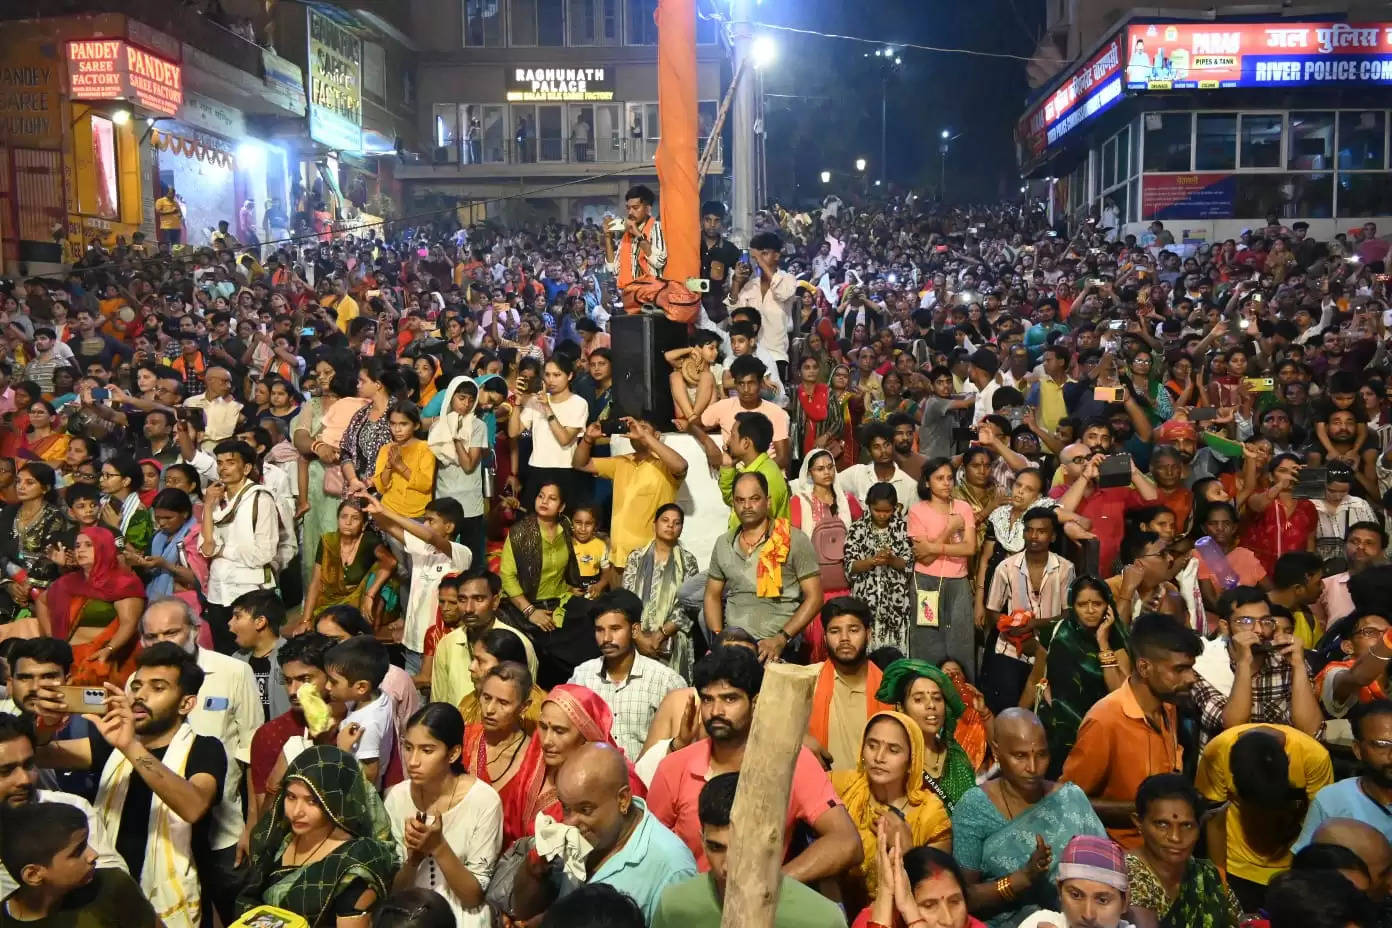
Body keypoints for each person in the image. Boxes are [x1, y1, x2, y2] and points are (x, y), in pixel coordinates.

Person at [33, 643, 227, 928]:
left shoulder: (204, 748)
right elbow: (37, 754)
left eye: (157, 688)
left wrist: (130, 746)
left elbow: (193, 806)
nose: (140, 696)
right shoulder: (110, 745)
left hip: (173, 903)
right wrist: (46, 727)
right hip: (109, 891)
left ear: (186, 703)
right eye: (136, 686)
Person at [646, 647, 862, 879]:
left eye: (730, 698)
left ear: (755, 702)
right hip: (692, 904)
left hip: (765, 907)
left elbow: (846, 842)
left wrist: (770, 887)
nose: (716, 711)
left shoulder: (792, 761)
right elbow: (648, 851)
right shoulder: (674, 767)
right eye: (708, 699)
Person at [507, 742, 697, 924]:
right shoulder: (571, 838)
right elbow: (524, 910)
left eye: (585, 810)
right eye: (566, 808)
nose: (569, 822)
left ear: (623, 800)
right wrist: (534, 869)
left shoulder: (672, 868)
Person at [951, 708, 1106, 928]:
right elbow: (962, 897)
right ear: (997, 751)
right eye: (1020, 756)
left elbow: (1105, 874)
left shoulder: (1070, 798)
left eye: (1041, 755)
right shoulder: (974, 806)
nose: (1033, 768)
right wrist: (1022, 878)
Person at [1061, 613, 1201, 849]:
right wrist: (1147, 809)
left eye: (1191, 668)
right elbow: (1068, 801)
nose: (1191, 678)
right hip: (1121, 861)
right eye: (1180, 669)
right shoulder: (1105, 720)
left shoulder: (1169, 706)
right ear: (1144, 667)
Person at [653, 772, 847, 928]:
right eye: (716, 847)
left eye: (741, 849)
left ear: (769, 843)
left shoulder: (821, 920)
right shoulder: (674, 908)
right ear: (702, 840)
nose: (728, 866)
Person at [237, 745, 400, 926]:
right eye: (291, 797)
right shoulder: (281, 838)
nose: (297, 811)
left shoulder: (351, 867)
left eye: (312, 801)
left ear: (335, 802)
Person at [385, 703, 502, 928]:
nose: (413, 761)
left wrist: (439, 847)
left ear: (453, 753)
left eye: (427, 750)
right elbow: (395, 893)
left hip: (463, 917)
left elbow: (472, 898)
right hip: (408, 918)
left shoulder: (483, 801)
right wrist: (413, 860)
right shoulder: (397, 798)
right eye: (408, 747)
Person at [1195, 724, 1333, 911]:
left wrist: (1301, 878)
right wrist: (1220, 884)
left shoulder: (1314, 758)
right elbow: (1215, 820)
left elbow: (1317, 828)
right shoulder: (1218, 750)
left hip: (1291, 870)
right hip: (1235, 866)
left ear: (1289, 761)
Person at [832, 711, 952, 909]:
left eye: (893, 750)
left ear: (911, 761)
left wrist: (907, 850)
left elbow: (937, 893)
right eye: (872, 746)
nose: (879, 757)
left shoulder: (930, 814)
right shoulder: (842, 786)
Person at [501, 683, 646, 846]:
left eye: (559, 731)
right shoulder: (533, 768)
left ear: (586, 736)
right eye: (543, 727)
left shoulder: (617, 781)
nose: (547, 741)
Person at [704, 471, 822, 661]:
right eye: (740, 500)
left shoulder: (793, 539)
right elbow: (712, 594)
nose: (747, 506)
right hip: (735, 647)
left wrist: (782, 638)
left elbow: (815, 597)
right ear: (733, 504)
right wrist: (718, 638)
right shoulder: (723, 543)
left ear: (768, 502)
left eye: (754, 499)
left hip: (780, 646)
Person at [1189, 586, 1322, 747]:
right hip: (1226, 762)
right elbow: (1233, 727)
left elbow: (1311, 731)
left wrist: (1299, 665)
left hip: (1284, 759)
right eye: (1246, 621)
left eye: (1266, 621)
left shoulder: (1285, 660)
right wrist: (1243, 664)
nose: (1259, 630)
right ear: (1225, 627)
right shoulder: (1204, 664)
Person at [1025, 575, 1130, 778]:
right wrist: (1018, 718)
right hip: (1057, 732)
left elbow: (1121, 692)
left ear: (1107, 606)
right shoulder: (1056, 635)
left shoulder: (1116, 639)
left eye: (1097, 604)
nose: (1090, 611)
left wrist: (1103, 643)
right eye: (1082, 604)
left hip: (1100, 734)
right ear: (1073, 606)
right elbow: (1034, 680)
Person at [357, 493, 471, 678]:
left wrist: (387, 511)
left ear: (449, 526)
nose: (425, 525)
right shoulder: (422, 548)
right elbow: (389, 527)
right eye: (424, 520)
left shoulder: (461, 553)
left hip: (439, 646)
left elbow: (430, 537)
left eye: (430, 521)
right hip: (411, 646)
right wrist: (376, 511)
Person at [981, 508, 1079, 716]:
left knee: (1041, 716)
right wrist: (1011, 628)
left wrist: (1035, 624)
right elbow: (992, 610)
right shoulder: (1005, 567)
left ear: (1052, 536)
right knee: (1007, 712)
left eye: (1041, 531)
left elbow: (1069, 614)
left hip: (1050, 651)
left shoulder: (1065, 568)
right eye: (1029, 530)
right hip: (1010, 649)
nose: (1034, 536)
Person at [567, 590, 685, 761]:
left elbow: (684, 742)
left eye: (615, 629)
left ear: (635, 630)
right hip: (597, 779)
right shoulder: (582, 677)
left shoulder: (665, 680)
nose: (606, 638)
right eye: (599, 630)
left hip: (649, 782)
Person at [0, 800, 155, 928]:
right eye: (77, 852)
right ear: (33, 874)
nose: (93, 855)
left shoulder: (111, 886)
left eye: (87, 843)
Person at [500, 481, 595, 689]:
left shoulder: (566, 527)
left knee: (594, 617)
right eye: (541, 496)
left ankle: (581, 692)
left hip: (560, 601)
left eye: (552, 498)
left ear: (561, 507)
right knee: (547, 649)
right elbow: (507, 576)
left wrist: (570, 586)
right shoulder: (520, 533)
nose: (544, 501)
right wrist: (530, 611)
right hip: (527, 605)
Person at [1123, 773, 1241, 928]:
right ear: (1138, 823)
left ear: (1199, 827)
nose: (1175, 837)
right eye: (1162, 824)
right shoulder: (1124, 876)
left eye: (1187, 825)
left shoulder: (1208, 877)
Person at [575, 417, 687, 575]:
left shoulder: (665, 465)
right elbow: (581, 464)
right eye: (634, 427)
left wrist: (644, 437)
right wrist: (587, 439)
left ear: (656, 435)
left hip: (651, 560)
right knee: (618, 600)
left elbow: (681, 466)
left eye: (643, 427)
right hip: (618, 560)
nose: (637, 430)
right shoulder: (621, 461)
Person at [33, 527, 144, 686]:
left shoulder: (124, 583)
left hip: (103, 661)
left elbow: (129, 623)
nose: (81, 550)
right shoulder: (69, 582)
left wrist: (109, 649)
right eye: (77, 546)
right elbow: (42, 601)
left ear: (104, 547)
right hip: (67, 660)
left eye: (88, 545)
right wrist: (52, 639)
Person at [199, 439, 280, 653]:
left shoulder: (260, 499)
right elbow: (206, 547)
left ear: (246, 468)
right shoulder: (215, 499)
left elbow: (263, 554)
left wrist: (222, 550)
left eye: (230, 462)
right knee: (224, 656)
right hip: (218, 591)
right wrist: (207, 506)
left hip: (249, 590)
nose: (223, 467)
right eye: (219, 462)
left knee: (254, 656)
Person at [908, 458, 979, 676]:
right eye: (939, 478)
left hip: (958, 581)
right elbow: (925, 559)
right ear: (927, 482)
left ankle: (965, 700)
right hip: (926, 582)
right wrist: (950, 529)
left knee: (961, 641)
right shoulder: (917, 511)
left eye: (950, 478)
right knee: (927, 641)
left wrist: (933, 546)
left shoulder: (963, 508)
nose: (946, 483)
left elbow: (969, 549)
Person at [807, 597, 895, 771]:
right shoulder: (808, 680)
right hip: (822, 792)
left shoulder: (890, 689)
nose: (844, 638)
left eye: (853, 630)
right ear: (825, 638)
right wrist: (799, 739)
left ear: (869, 634)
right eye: (835, 631)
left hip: (875, 793)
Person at [876, 659, 977, 808]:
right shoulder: (891, 760)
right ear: (901, 708)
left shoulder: (957, 757)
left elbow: (973, 812)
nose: (931, 705)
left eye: (937, 698)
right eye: (918, 699)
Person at [430, 570, 538, 708]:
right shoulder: (447, 644)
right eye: (462, 599)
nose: (468, 609)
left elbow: (527, 705)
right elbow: (438, 704)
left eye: (478, 599)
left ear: (495, 601)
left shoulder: (519, 644)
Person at [621, 504, 700, 681]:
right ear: (654, 524)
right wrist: (639, 637)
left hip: (673, 641)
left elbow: (688, 606)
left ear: (681, 529)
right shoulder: (636, 557)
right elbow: (626, 600)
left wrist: (661, 634)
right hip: (636, 639)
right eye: (665, 520)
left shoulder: (688, 561)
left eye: (676, 522)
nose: (670, 526)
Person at [301, 499, 397, 628]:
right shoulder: (328, 542)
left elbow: (391, 561)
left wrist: (370, 594)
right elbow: (315, 583)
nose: (348, 522)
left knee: (381, 571)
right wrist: (306, 620)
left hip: (359, 606)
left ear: (363, 524)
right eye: (343, 517)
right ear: (338, 520)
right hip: (329, 604)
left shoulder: (369, 540)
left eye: (355, 518)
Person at [507, 356, 589, 507]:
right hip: (536, 468)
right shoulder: (535, 400)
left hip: (565, 470)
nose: (551, 380)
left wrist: (547, 407)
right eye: (548, 374)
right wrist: (517, 402)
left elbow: (564, 439)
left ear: (569, 376)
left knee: (562, 523)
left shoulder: (579, 403)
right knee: (529, 522)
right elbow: (513, 433)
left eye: (557, 375)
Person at [844, 483, 914, 655]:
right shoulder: (857, 529)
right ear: (868, 505)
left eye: (887, 511)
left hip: (895, 606)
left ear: (895, 507)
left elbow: (909, 566)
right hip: (865, 602)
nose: (882, 515)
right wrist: (871, 561)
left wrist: (891, 560)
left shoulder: (903, 529)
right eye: (877, 510)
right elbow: (849, 566)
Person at [1015, 835, 1135, 928]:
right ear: (1060, 892)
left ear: (1125, 902)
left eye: (1102, 900)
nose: (1088, 915)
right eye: (1075, 895)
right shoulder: (1038, 923)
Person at [323, 636, 395, 790]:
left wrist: (343, 750)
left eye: (334, 682)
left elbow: (370, 775)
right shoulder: (375, 697)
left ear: (361, 687)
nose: (328, 686)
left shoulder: (368, 724)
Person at [0, 463, 70, 621]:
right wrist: (8, 584)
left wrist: (27, 585)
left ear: (45, 488)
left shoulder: (54, 517)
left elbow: (48, 558)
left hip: (40, 587)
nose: (21, 486)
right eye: (18, 481)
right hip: (7, 582)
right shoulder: (8, 512)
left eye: (29, 482)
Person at [228, 589, 291, 722]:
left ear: (260, 622)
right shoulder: (236, 660)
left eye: (237, 617)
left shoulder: (291, 658)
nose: (230, 623)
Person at [837, 422, 919, 513]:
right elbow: (831, 485)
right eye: (876, 447)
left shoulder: (910, 486)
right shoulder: (857, 474)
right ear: (869, 451)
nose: (883, 451)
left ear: (893, 446)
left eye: (887, 445)